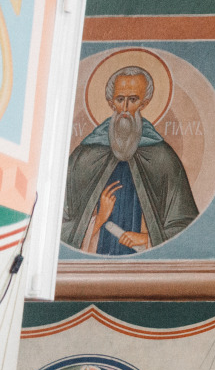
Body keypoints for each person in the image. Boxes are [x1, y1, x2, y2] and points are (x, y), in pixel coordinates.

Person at [63, 66, 200, 255]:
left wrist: (147, 238)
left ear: (144, 103)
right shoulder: (84, 156)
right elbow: (58, 224)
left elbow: (185, 224)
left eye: (133, 100)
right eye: (120, 100)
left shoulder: (163, 157)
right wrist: (98, 220)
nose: (125, 109)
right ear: (111, 103)